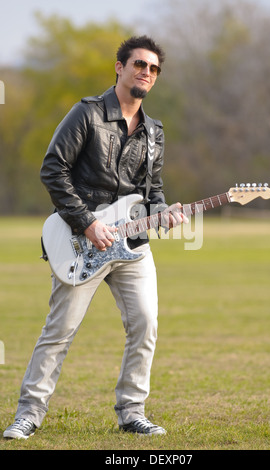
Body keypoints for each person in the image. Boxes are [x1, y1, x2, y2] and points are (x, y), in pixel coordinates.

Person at [3, 35, 187, 440]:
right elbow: (53, 169)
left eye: (154, 68)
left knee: (146, 325)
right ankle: (28, 414)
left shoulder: (154, 132)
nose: (147, 72)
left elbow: (152, 191)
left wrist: (164, 213)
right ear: (119, 68)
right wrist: (87, 222)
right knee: (59, 331)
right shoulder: (86, 114)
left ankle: (132, 411)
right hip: (81, 242)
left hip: (133, 247)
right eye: (139, 64)